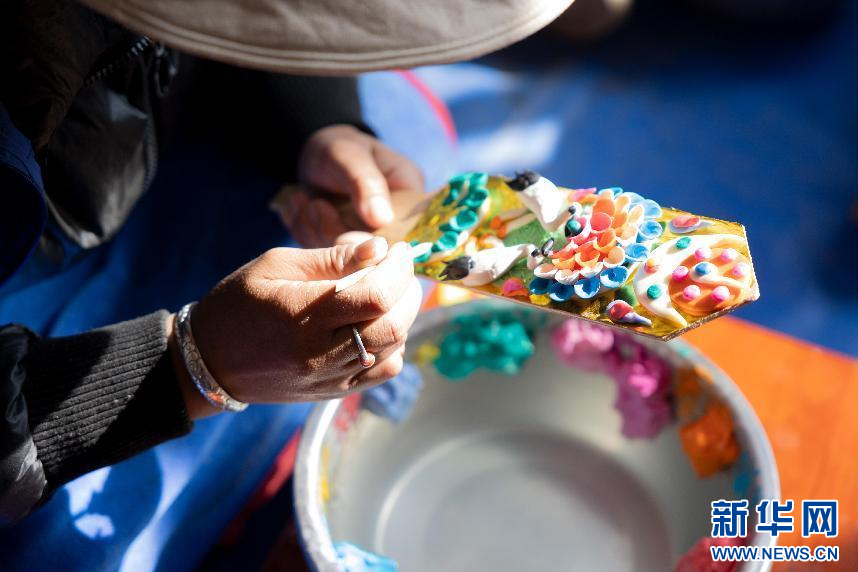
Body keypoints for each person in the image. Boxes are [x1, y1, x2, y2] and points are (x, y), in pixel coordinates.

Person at [0, 0, 573, 553]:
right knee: (73, 541)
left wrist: (319, 123)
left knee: (410, 141)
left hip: (151, 117)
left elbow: (243, 17)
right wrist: (188, 367)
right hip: (34, 346)